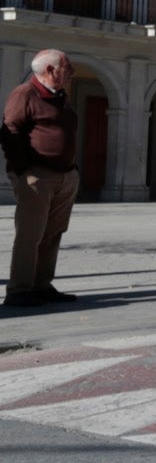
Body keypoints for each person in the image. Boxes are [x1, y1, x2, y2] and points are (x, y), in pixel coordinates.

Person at [2, 49, 80, 309]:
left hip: (64, 176)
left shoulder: (60, 98)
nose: (72, 72)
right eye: (67, 68)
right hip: (37, 176)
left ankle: (41, 285)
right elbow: (10, 130)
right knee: (30, 234)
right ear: (50, 70)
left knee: (53, 233)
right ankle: (19, 290)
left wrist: (72, 169)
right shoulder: (24, 94)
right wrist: (25, 170)